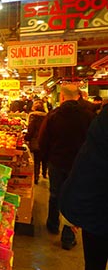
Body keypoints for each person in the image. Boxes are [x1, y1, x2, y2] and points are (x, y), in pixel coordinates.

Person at [38, 83, 95, 249]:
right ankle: (68, 236)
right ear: (78, 96)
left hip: (56, 162)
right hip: (79, 165)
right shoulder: (89, 116)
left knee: (55, 194)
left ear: (61, 97)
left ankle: (52, 224)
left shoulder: (53, 115)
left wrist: (48, 158)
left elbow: (42, 141)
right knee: (74, 196)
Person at [60, 103, 108, 270]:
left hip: (93, 209)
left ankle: (63, 233)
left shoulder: (101, 122)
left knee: (94, 263)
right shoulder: (91, 117)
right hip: (95, 206)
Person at [24, 99, 47, 184]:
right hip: (45, 140)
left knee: (36, 159)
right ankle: (44, 173)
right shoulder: (47, 115)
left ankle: (36, 177)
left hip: (35, 139)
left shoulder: (32, 115)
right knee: (44, 158)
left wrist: (27, 138)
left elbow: (31, 128)